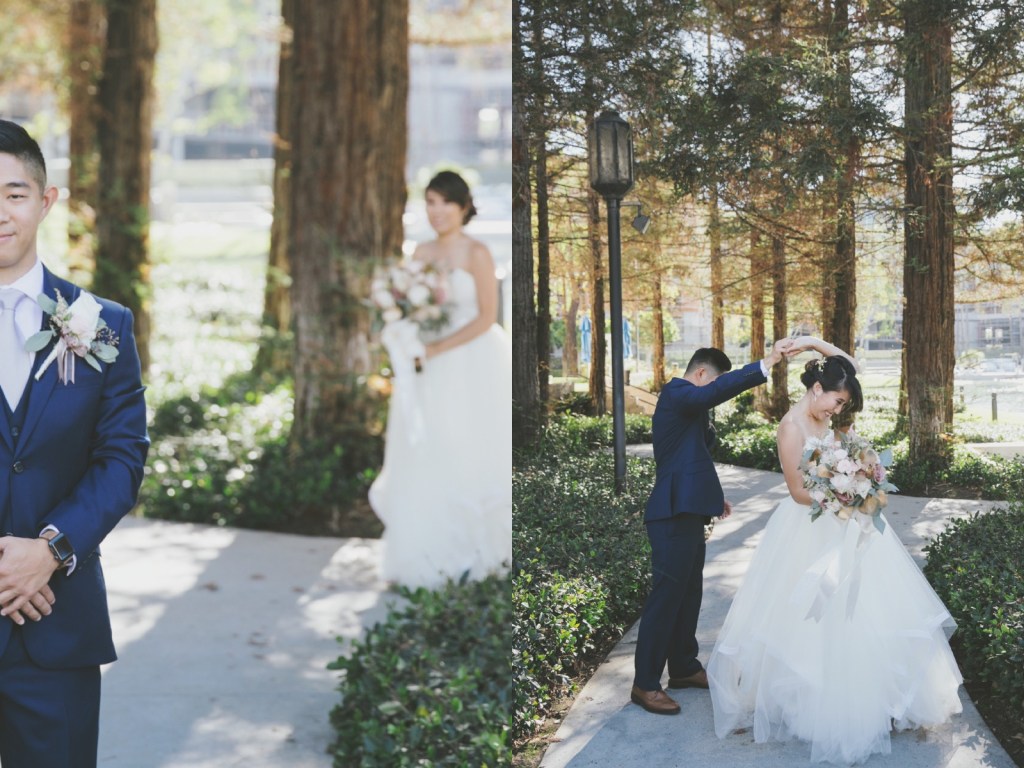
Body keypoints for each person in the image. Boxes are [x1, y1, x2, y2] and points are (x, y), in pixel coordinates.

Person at [707, 338, 963, 764]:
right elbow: (795, 491)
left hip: (849, 523)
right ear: (815, 389)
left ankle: (878, 696)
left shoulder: (829, 410)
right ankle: (819, 704)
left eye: (843, 405)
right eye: (836, 402)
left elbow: (850, 363)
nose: (837, 411)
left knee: (868, 607)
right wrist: (842, 496)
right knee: (816, 617)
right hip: (807, 529)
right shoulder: (791, 427)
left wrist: (810, 341)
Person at [0, 120, 148, 767]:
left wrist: (50, 550)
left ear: (46, 200)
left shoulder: (100, 324)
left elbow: (121, 459)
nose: (0, 213)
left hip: (56, 625)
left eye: (14, 193)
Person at [631, 339, 793, 715]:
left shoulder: (691, 407)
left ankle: (684, 667)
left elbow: (693, 456)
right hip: (670, 516)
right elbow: (711, 397)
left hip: (688, 511)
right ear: (701, 373)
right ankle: (645, 684)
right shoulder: (677, 392)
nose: (712, 391)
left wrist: (710, 498)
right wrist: (765, 364)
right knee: (666, 599)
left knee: (689, 595)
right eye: (712, 382)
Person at [368, 170, 511, 589]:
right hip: (425, 362)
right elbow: (411, 306)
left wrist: (437, 348)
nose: (437, 211)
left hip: (470, 361)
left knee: (464, 446)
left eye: (445, 202)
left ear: (464, 206)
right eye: (430, 202)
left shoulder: (478, 253)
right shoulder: (421, 251)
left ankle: (471, 552)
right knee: (426, 448)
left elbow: (487, 317)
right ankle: (422, 553)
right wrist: (403, 333)